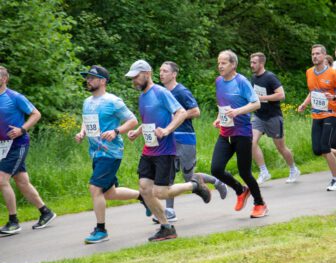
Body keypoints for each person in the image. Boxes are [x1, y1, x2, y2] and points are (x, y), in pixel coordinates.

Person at [125, 60, 211, 242]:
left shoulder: (161, 93)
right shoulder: (142, 97)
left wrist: (167, 130)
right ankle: (166, 227)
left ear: (147, 74)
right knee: (145, 189)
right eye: (132, 78)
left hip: (166, 150)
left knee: (161, 192)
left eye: (136, 77)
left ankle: (195, 185)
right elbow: (150, 120)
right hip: (149, 150)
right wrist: (137, 131)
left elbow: (180, 112)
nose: (134, 81)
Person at [76, 65, 142, 244]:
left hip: (111, 153)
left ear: (103, 81)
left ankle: (101, 230)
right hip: (95, 153)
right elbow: (87, 121)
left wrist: (116, 131)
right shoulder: (87, 102)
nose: (88, 80)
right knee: (110, 193)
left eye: (92, 77)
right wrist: (82, 132)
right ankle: (142, 197)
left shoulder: (113, 101)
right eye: (87, 77)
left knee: (95, 188)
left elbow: (133, 120)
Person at [157, 61, 228, 222]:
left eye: (165, 71)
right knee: (168, 175)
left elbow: (196, 111)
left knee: (189, 177)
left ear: (174, 74)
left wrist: (178, 116)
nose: (161, 74)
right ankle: (169, 210)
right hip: (168, 138)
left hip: (185, 137)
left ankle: (216, 182)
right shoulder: (160, 92)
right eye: (160, 71)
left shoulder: (181, 91)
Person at [211, 50, 269, 218]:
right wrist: (219, 118)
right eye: (219, 63)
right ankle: (240, 190)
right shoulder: (218, 82)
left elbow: (256, 103)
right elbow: (223, 104)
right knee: (216, 169)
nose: (220, 66)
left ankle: (260, 204)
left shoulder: (242, 81)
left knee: (245, 172)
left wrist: (237, 112)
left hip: (242, 133)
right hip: (225, 132)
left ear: (233, 64)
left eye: (224, 63)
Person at [0, 66, 56, 235]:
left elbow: (36, 114)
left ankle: (13, 221)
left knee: (2, 180)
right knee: (22, 181)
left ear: (4, 79)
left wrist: (21, 129)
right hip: (3, 146)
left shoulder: (15, 97)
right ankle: (46, 212)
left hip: (18, 144)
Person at [298, 44, 336, 191]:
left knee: (325, 148)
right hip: (317, 114)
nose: (314, 56)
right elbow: (312, 92)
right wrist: (304, 104)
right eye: (312, 54)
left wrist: (333, 96)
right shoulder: (309, 72)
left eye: (317, 54)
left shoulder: (333, 74)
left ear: (324, 55)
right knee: (317, 150)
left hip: (331, 114)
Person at [249, 52, 301, 185]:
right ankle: (264, 172)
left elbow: (281, 95)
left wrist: (263, 98)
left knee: (281, 147)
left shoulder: (270, 77)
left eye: (254, 62)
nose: (251, 65)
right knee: (251, 142)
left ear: (261, 63)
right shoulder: (254, 78)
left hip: (273, 117)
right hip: (259, 116)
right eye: (251, 62)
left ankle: (293, 169)